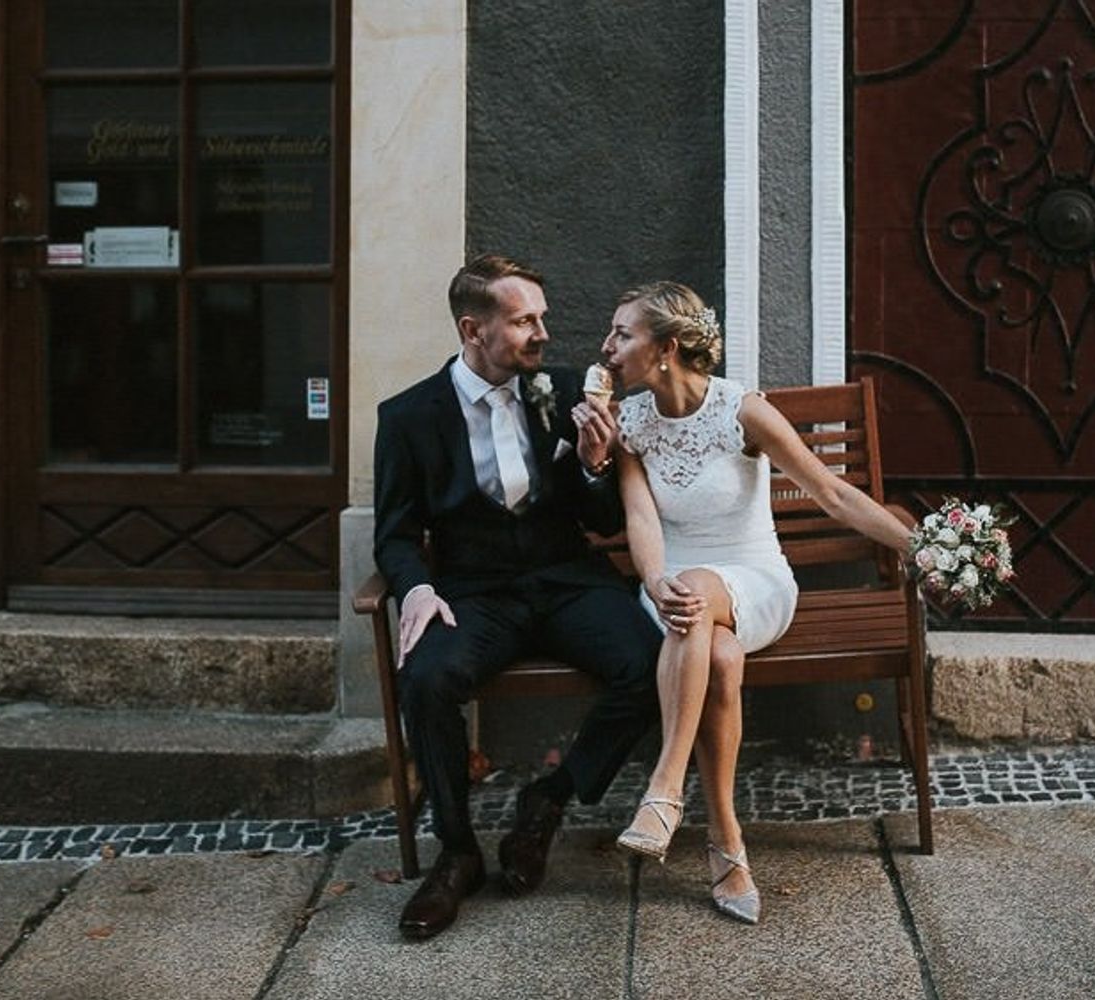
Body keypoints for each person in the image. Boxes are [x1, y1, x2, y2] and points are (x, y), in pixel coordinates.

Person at [596, 281, 912, 925]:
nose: (607, 347)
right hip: (671, 586)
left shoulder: (741, 409)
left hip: (755, 578)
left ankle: (664, 787)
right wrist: (654, 582)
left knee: (698, 597)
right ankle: (727, 843)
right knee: (716, 653)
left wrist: (921, 546)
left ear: (668, 348)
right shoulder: (628, 423)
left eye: (623, 334)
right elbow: (641, 522)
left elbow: (832, 495)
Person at [372, 255, 662, 940]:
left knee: (652, 661)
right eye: (523, 320)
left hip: (567, 580)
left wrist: (594, 465)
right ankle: (458, 851)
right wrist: (414, 588)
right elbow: (393, 533)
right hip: (475, 594)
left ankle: (548, 801)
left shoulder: (563, 390)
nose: (541, 333)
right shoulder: (409, 416)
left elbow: (604, 522)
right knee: (426, 678)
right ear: (473, 329)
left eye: (542, 318)